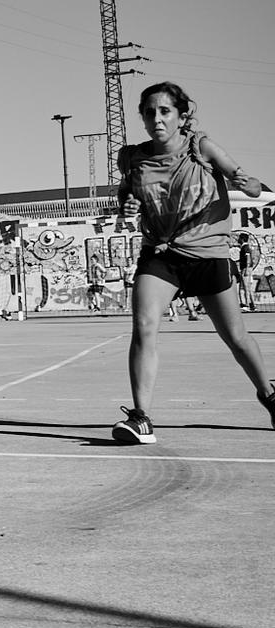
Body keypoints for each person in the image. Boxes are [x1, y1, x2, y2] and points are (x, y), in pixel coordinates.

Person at [110, 81, 274, 443]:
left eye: (165, 111)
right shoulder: (134, 158)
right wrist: (128, 205)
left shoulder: (200, 148)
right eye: (149, 112)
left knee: (235, 337)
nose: (157, 118)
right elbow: (126, 197)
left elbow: (243, 178)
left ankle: (269, 394)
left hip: (207, 252)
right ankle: (140, 418)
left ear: (182, 116)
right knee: (145, 324)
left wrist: (249, 185)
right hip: (161, 252)